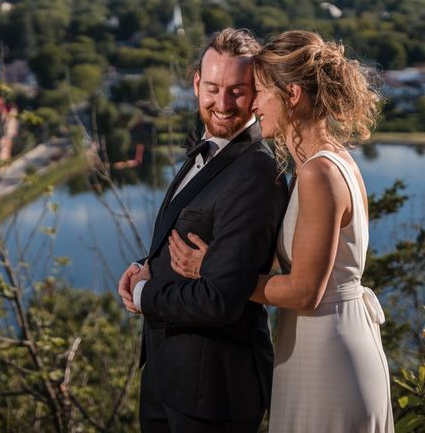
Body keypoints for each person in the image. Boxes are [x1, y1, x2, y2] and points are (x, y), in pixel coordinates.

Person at [170, 30, 394, 432]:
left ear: (291, 95)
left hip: (327, 352)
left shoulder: (319, 173)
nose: (252, 104)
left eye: (259, 92)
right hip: (313, 342)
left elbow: (305, 292)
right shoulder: (319, 164)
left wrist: (213, 273)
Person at [117, 28, 288, 432]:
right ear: (196, 83)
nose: (223, 103)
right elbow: (188, 233)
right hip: (167, 376)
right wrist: (146, 265)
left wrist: (143, 292)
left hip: (213, 391)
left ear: (258, 93)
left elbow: (219, 299)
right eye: (212, 88)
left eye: (237, 91)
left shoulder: (256, 172)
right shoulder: (209, 149)